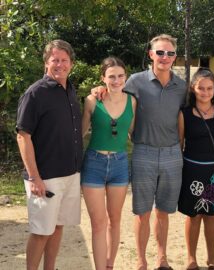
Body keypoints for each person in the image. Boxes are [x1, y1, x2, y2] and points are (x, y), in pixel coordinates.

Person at [92, 34, 186, 270]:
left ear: (175, 56)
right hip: (143, 151)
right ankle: (141, 260)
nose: (165, 57)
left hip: (172, 154)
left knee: (164, 211)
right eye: (160, 52)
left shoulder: (182, 86)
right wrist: (98, 90)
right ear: (151, 54)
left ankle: (162, 259)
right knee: (142, 212)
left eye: (170, 53)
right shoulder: (135, 81)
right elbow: (114, 90)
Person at [16, 39, 82, 270]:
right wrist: (34, 177)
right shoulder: (35, 94)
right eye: (55, 60)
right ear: (46, 63)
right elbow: (23, 136)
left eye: (64, 60)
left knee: (58, 227)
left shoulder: (71, 90)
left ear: (71, 64)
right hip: (45, 177)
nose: (60, 65)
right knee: (41, 231)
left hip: (71, 174)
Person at [81, 57, 136, 269]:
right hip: (93, 163)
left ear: (126, 77)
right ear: (103, 78)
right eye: (111, 76)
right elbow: (82, 132)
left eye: (120, 76)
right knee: (98, 223)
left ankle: (110, 264)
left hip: (120, 164)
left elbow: (134, 133)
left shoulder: (132, 101)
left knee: (115, 219)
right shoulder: (92, 101)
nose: (116, 80)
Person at [177, 68, 214, 270]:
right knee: (194, 214)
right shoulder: (184, 114)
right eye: (201, 88)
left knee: (211, 214)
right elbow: (180, 143)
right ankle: (191, 258)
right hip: (192, 170)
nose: (205, 92)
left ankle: (211, 258)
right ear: (193, 88)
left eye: (209, 88)